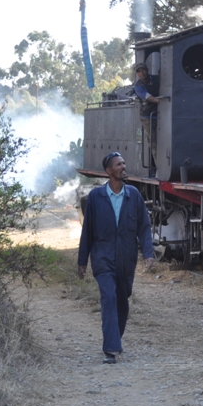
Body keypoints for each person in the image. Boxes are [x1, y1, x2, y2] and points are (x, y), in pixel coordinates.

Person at [78, 152, 155, 363]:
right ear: (108, 171)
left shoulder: (134, 195)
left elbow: (144, 227)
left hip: (126, 259)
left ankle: (115, 339)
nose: (124, 166)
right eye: (119, 164)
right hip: (102, 258)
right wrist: (82, 260)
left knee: (122, 300)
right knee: (109, 298)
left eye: (124, 162)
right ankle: (111, 349)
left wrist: (148, 253)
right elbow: (88, 231)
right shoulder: (96, 197)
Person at [133, 63, 160, 176]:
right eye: (139, 71)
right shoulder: (138, 86)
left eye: (143, 70)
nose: (141, 73)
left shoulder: (155, 78)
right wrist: (167, 103)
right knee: (153, 141)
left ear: (147, 70)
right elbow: (150, 98)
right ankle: (159, 168)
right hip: (147, 116)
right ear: (137, 73)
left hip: (160, 113)